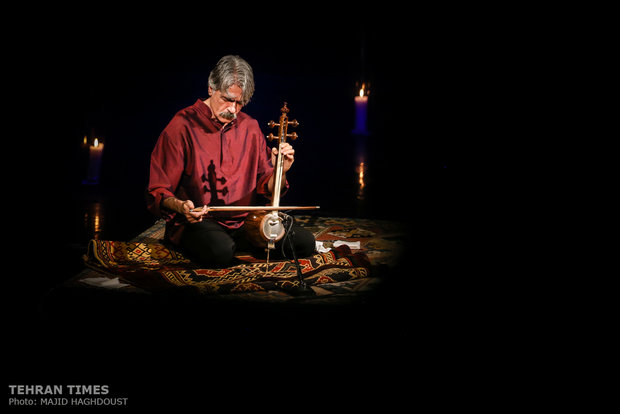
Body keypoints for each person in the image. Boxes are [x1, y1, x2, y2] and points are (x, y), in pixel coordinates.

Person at [146, 55, 316, 267]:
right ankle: (229, 247)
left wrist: (281, 170)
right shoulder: (182, 125)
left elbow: (268, 187)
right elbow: (159, 189)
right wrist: (181, 206)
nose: (233, 109)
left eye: (240, 102)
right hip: (200, 222)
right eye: (227, 99)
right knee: (220, 251)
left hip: (245, 223)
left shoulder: (250, 127)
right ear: (211, 88)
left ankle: (240, 244)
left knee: (305, 243)